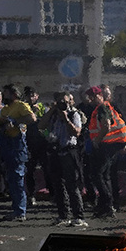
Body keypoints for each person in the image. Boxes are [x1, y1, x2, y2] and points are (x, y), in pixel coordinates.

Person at [0, 84, 35, 221]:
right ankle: (16, 209)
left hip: (17, 145)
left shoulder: (21, 106)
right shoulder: (6, 109)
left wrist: (14, 121)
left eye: (6, 93)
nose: (3, 96)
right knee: (10, 179)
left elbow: (31, 118)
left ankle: (20, 211)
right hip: (6, 144)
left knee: (17, 177)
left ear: (14, 94)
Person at [87, 85, 126, 218]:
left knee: (97, 174)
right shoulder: (106, 106)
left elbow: (106, 125)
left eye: (92, 97)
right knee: (104, 175)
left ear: (98, 96)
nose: (91, 100)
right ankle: (105, 205)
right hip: (112, 144)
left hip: (108, 144)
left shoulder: (102, 108)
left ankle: (107, 205)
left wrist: (96, 140)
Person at [45, 91, 87, 226]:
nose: (63, 104)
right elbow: (41, 125)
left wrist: (66, 118)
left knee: (72, 184)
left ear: (70, 102)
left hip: (69, 152)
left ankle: (79, 216)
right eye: (60, 101)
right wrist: (52, 110)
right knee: (58, 185)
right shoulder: (54, 116)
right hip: (57, 152)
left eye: (65, 101)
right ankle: (63, 215)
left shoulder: (74, 114)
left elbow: (76, 132)